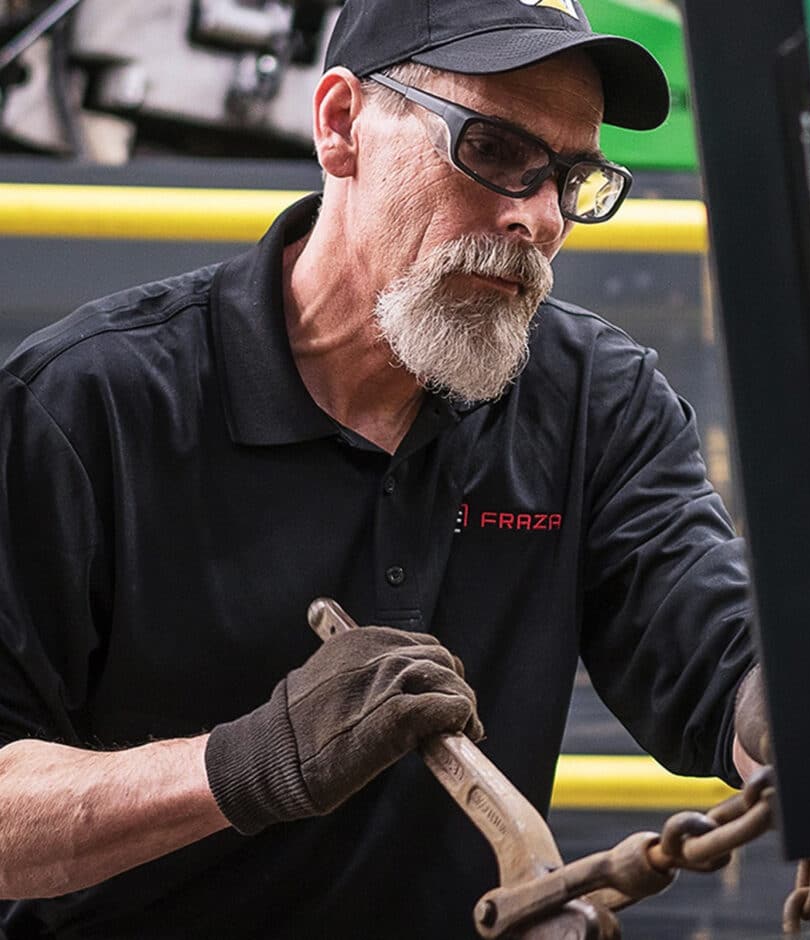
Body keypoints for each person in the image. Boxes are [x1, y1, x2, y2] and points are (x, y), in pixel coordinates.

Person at [0, 0, 765, 936]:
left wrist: (789, 705)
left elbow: (706, 638)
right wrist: (248, 764)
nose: (534, 217)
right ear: (340, 125)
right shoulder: (85, 408)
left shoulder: (594, 401)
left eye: (574, 177)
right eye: (491, 149)